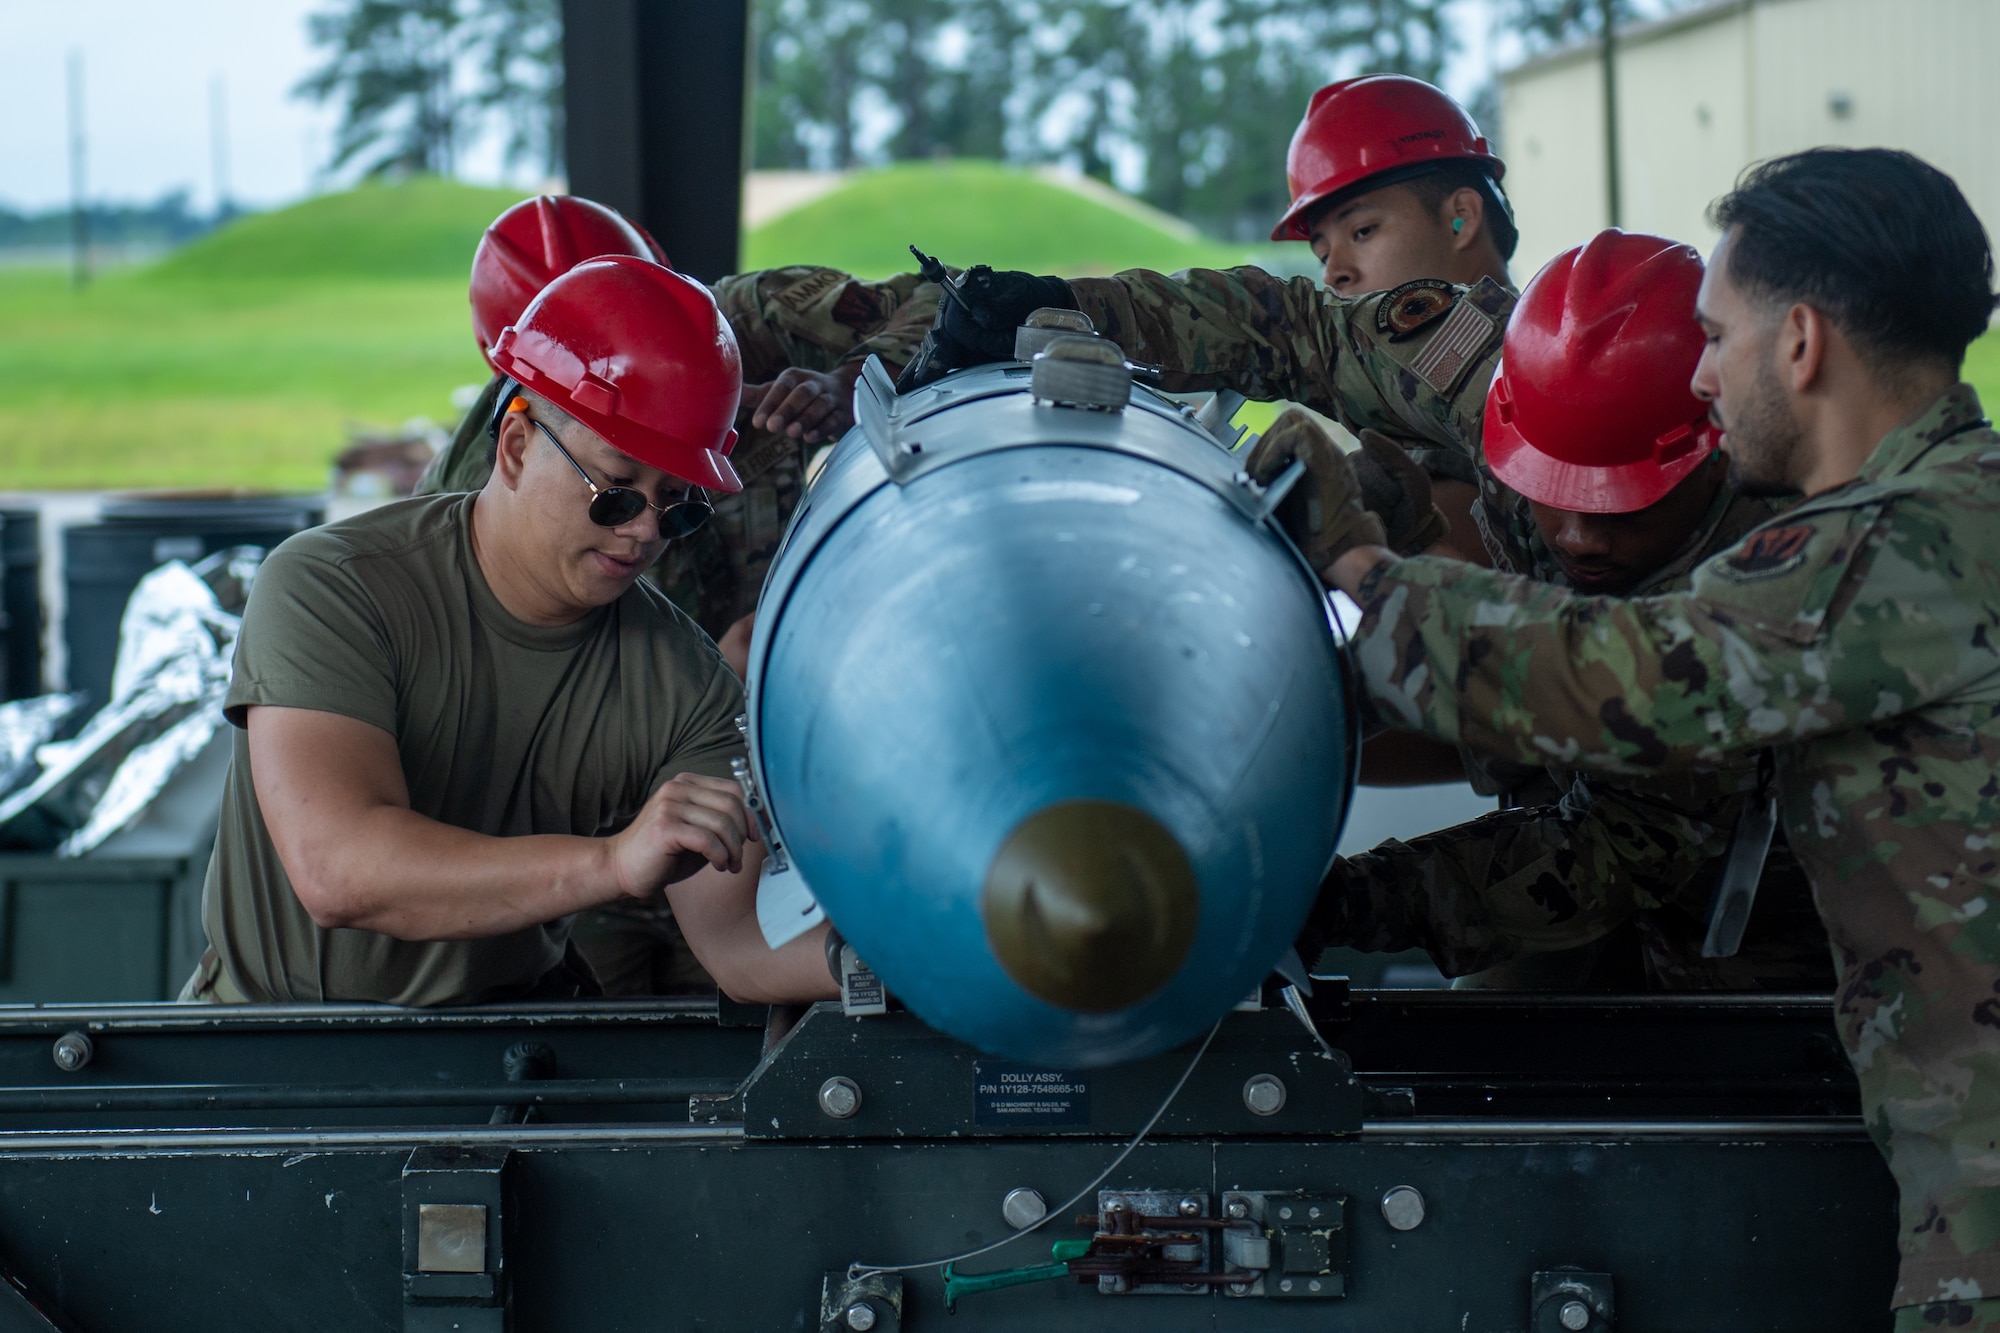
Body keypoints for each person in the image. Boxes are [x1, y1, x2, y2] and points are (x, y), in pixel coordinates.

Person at [1279, 147, 1999, 1330]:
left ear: (1801, 343)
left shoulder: (1885, 550)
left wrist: (1357, 571)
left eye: (1716, 339)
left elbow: (1615, 682)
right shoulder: (1953, 511)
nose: (1702, 381)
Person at [900, 227, 1830, 989]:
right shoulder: (1467, 362)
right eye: (1553, 492)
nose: (1579, 539)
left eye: (1622, 505)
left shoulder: (1773, 569)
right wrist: (1075, 310)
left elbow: (1615, 848)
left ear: (1712, 446)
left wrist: (1334, 905)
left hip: (1728, 901)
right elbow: (1292, 327)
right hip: (1543, 750)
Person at [183, 254, 837, 1009]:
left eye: (677, 504)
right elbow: (342, 870)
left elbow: (743, 949)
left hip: (505, 1050)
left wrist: (903, 962)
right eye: (617, 491)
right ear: (518, 447)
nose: (647, 533)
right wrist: (612, 863)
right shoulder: (334, 585)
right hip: (270, 1042)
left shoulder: (681, 685)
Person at [418, 194, 941, 673]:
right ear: (518, 433)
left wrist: (850, 382)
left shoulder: (742, 325)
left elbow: (966, 300)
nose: (646, 529)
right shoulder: (458, 518)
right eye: (614, 485)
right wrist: (715, 680)